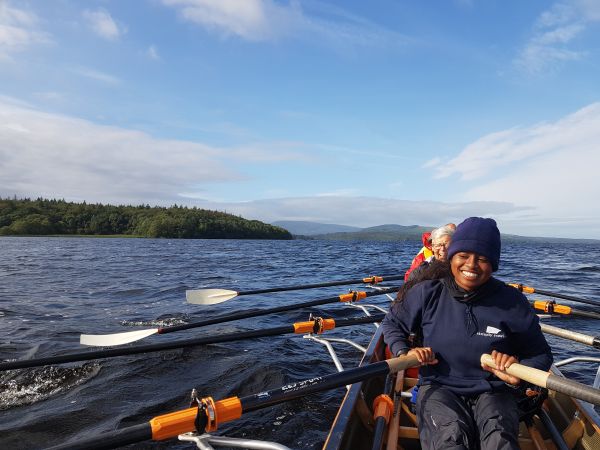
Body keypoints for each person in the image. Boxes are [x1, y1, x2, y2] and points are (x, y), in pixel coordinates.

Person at [383, 217, 553, 450]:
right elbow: (392, 324)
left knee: (500, 442)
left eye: (482, 258)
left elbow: (541, 354)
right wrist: (405, 351)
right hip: (438, 386)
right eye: (463, 256)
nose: (471, 265)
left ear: (493, 264)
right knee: (449, 439)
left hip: (495, 390)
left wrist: (518, 374)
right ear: (452, 257)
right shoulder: (427, 292)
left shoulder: (512, 302)